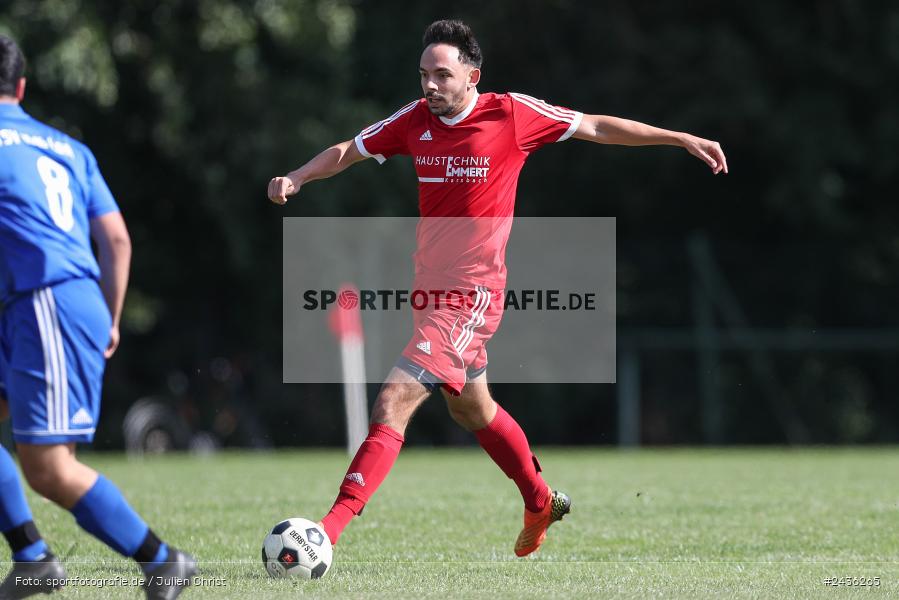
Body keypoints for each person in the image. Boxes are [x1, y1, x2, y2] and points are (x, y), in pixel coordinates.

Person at [268, 19, 727, 557]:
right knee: (471, 409)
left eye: (442, 74)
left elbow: (596, 126)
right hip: (428, 296)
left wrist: (679, 138)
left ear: (472, 75)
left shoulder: (511, 115)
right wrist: (297, 176)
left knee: (393, 400)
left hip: (472, 297)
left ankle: (326, 532)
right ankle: (539, 499)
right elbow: (350, 148)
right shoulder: (414, 121)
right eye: (423, 75)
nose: (430, 85)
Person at [0, 35, 196, 599]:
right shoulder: (67, 147)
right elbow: (116, 239)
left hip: (43, 301)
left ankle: (161, 560)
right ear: (21, 86)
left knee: (49, 468)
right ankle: (32, 558)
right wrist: (109, 316)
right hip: (54, 301)